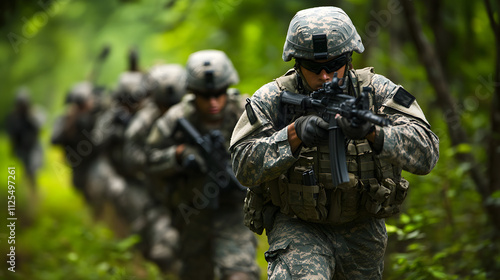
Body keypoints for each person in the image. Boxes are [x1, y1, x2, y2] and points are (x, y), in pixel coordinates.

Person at [230, 6, 439, 279]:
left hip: (361, 228)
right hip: (297, 224)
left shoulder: (378, 92)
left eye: (333, 65)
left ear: (349, 59)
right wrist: (293, 134)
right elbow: (242, 164)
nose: (325, 76)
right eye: (314, 68)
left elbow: (427, 152)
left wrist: (373, 132)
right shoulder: (273, 97)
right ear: (297, 63)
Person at [146, 49, 260, 280]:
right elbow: (148, 158)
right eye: (204, 95)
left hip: (235, 209)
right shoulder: (178, 117)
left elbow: (272, 147)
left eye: (219, 93)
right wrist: (178, 155)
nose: (213, 102)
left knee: (240, 274)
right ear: (192, 93)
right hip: (193, 211)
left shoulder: (245, 111)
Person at [122, 63, 187, 272]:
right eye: (164, 106)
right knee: (163, 252)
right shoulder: (143, 121)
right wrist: (162, 161)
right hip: (160, 198)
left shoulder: (194, 113)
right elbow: (131, 157)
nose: (169, 111)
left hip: (196, 195)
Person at [6, 87, 45, 189]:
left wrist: (30, 116)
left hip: (34, 147)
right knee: (27, 170)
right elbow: (12, 133)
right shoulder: (14, 116)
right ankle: (29, 192)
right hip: (22, 149)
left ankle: (33, 192)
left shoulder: (33, 113)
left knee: (32, 169)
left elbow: (40, 124)